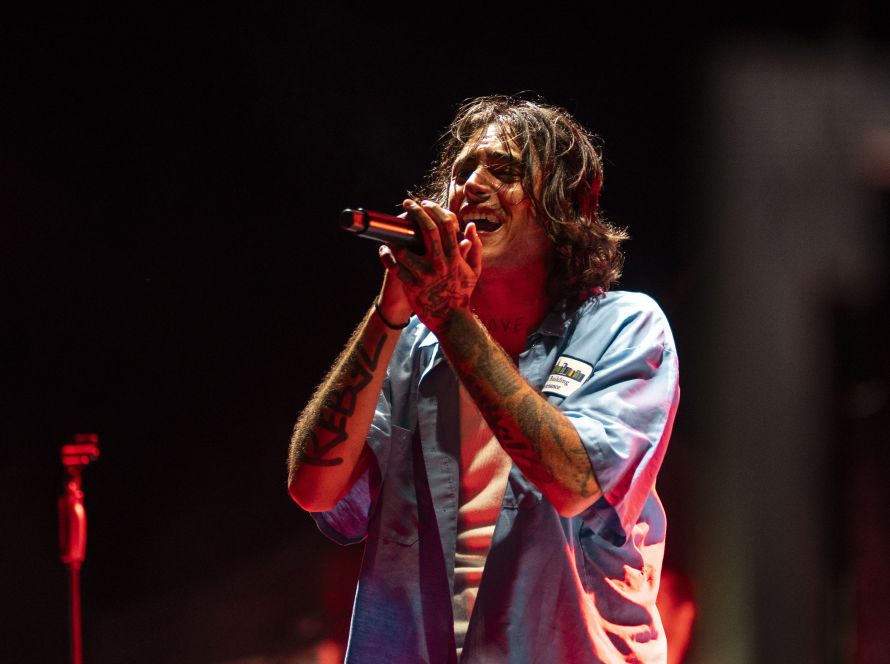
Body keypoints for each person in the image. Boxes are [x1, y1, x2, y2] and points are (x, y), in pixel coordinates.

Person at [287, 95, 680, 663]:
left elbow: (573, 482)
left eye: (505, 170)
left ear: (567, 205)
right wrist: (390, 311)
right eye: (463, 170)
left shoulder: (624, 326)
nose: (472, 185)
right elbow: (314, 490)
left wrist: (450, 316)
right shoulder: (413, 346)